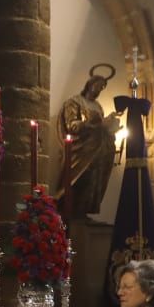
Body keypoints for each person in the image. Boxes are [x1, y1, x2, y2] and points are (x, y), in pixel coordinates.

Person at [56, 63, 116, 220]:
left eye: (103, 87)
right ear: (90, 84)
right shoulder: (75, 102)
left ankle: (83, 211)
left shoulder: (98, 106)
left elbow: (101, 127)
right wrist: (92, 123)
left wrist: (109, 125)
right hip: (80, 151)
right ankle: (70, 210)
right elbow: (72, 126)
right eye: (98, 85)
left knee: (93, 181)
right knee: (78, 180)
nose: (100, 89)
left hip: (97, 151)